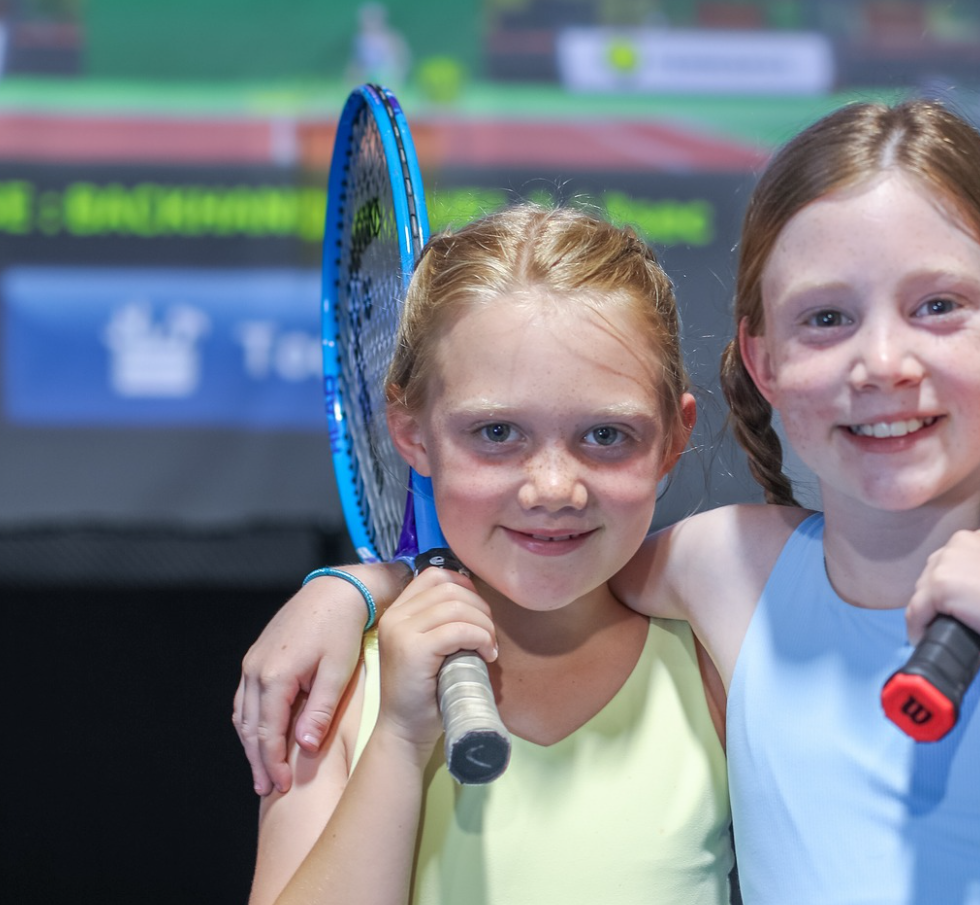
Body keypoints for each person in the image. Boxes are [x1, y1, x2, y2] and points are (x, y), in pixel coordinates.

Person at [241, 100, 980, 904]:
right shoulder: (728, 570)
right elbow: (542, 544)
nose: (884, 363)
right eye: (828, 317)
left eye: (939, 307)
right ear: (763, 364)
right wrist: (353, 584)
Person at [248, 204, 734, 905]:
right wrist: (397, 737)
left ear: (672, 438)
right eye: (497, 430)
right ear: (411, 431)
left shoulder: (715, 666)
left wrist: (361, 583)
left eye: (605, 435)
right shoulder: (339, 686)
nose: (553, 488)